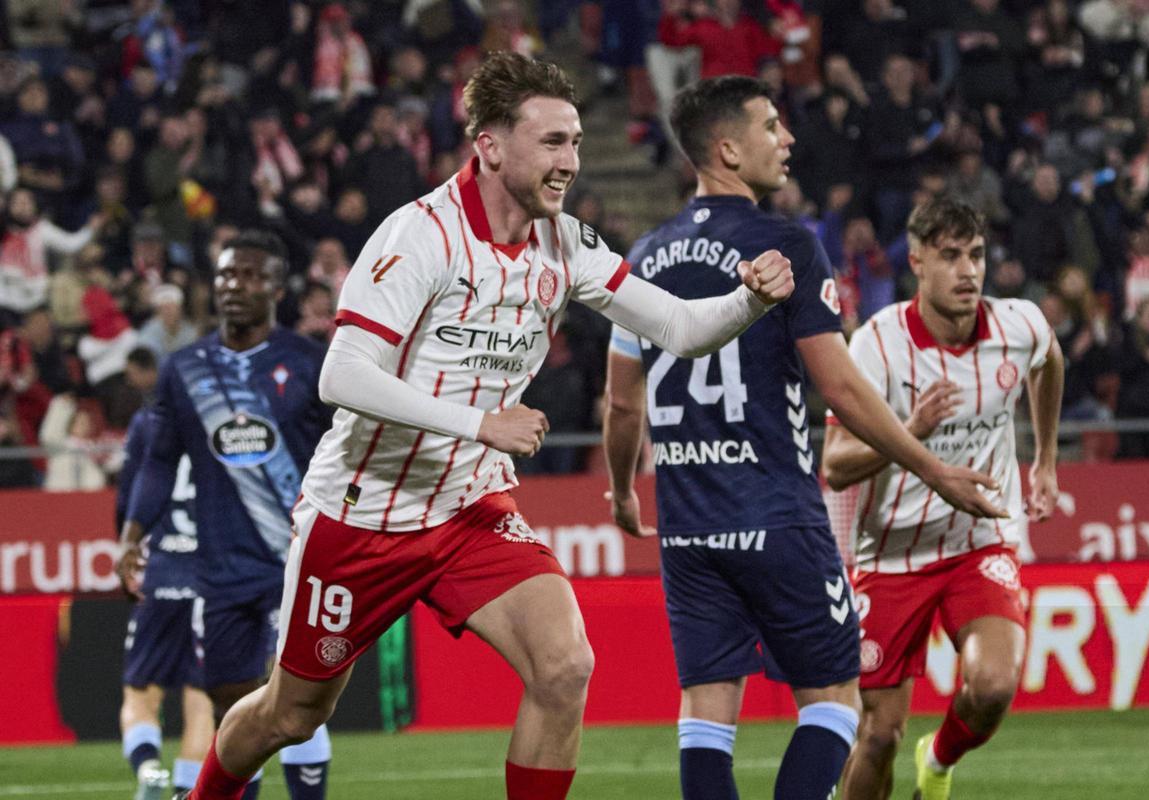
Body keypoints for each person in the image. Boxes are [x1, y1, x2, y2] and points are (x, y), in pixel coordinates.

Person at [176, 51, 795, 800]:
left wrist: (748, 302)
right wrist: (479, 423)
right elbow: (341, 375)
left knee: (565, 665)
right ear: (491, 146)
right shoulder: (419, 236)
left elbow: (680, 327)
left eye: (574, 141)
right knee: (292, 712)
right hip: (362, 514)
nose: (570, 161)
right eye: (552, 142)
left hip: (470, 508)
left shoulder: (564, 242)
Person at [602, 76, 1007, 800]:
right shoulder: (787, 245)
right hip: (776, 514)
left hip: (688, 526)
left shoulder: (640, 258)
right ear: (727, 148)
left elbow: (621, 403)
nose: (787, 140)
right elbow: (844, 389)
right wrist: (933, 469)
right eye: (771, 126)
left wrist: (622, 489)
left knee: (706, 708)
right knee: (832, 700)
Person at [822, 198, 1063, 800]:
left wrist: (1047, 461)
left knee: (993, 687)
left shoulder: (1019, 325)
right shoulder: (877, 344)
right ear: (919, 262)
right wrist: (912, 435)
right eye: (951, 257)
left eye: (976, 255)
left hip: (977, 544)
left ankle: (941, 756)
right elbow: (836, 464)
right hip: (891, 555)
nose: (968, 272)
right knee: (878, 736)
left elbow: (1050, 361)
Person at [117, 230, 334, 800]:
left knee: (297, 703)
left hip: (298, 564)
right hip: (219, 570)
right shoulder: (185, 368)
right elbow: (160, 462)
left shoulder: (311, 363)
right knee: (235, 707)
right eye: (227, 275)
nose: (236, 286)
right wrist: (133, 534)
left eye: (251, 275)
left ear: (277, 287)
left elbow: (350, 452)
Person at [116, 350, 214, 800]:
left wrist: (130, 549)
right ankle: (183, 792)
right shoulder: (220, 425)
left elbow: (131, 500)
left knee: (140, 693)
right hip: (211, 581)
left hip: (162, 573)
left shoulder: (147, 425)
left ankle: (149, 768)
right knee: (201, 701)